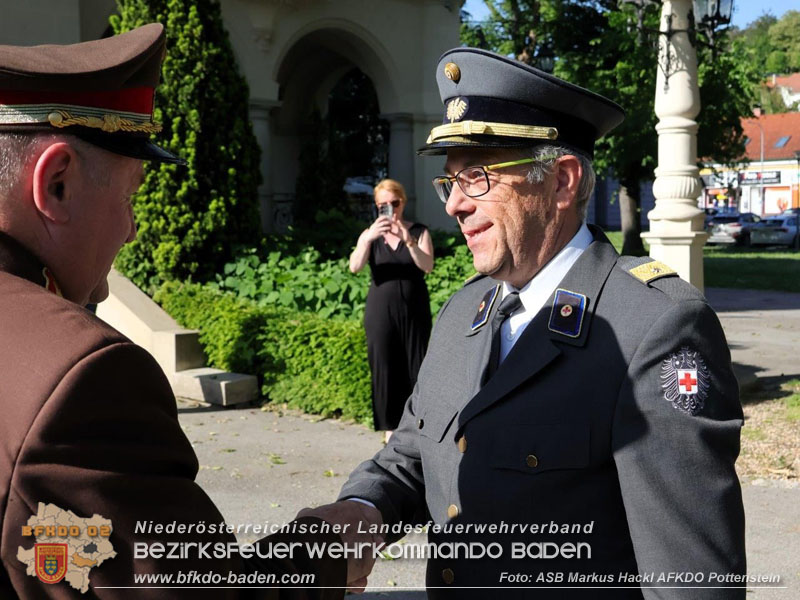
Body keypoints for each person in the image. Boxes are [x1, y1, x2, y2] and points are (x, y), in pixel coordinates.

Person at [320, 48, 746, 598]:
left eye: (477, 178)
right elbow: (412, 454)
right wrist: (361, 511)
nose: (454, 206)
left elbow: (693, 584)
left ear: (563, 181)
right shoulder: (462, 313)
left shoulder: (656, 328)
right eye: (451, 183)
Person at [0, 25, 379, 598]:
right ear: (55, 184)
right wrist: (324, 549)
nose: (131, 228)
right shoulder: (82, 376)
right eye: (129, 196)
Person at [349, 179, 434, 443]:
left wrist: (408, 240)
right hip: (380, 311)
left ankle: (420, 426)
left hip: (414, 309)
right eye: (382, 205)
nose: (389, 209)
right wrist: (368, 239)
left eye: (394, 203)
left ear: (403, 202)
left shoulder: (419, 231)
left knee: (417, 365)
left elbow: (427, 265)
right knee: (385, 367)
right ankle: (390, 434)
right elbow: (355, 267)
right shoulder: (370, 235)